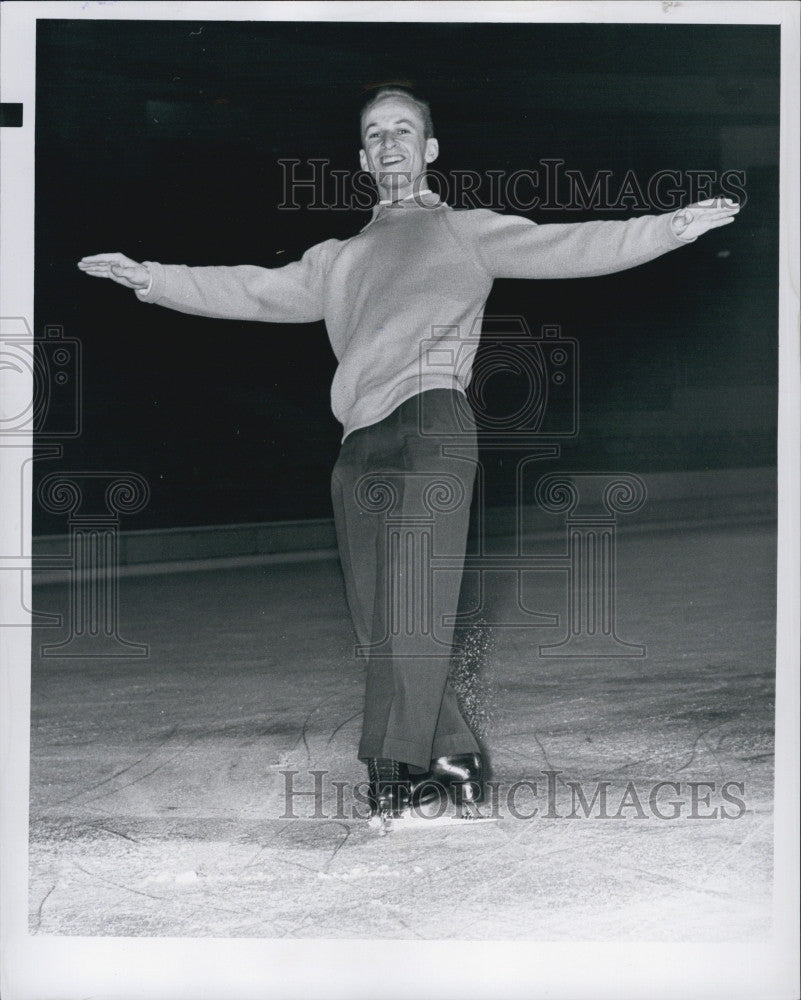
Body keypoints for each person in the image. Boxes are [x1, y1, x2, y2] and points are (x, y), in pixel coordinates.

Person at [78, 85, 740, 828]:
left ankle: (392, 765)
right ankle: (456, 751)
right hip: (358, 441)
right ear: (362, 159)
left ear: (428, 150)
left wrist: (669, 228)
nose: (389, 141)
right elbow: (255, 290)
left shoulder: (464, 231)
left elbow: (570, 243)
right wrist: (153, 279)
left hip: (431, 423)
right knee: (378, 617)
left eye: (403, 129)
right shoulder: (337, 259)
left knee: (415, 606)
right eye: (374, 132)